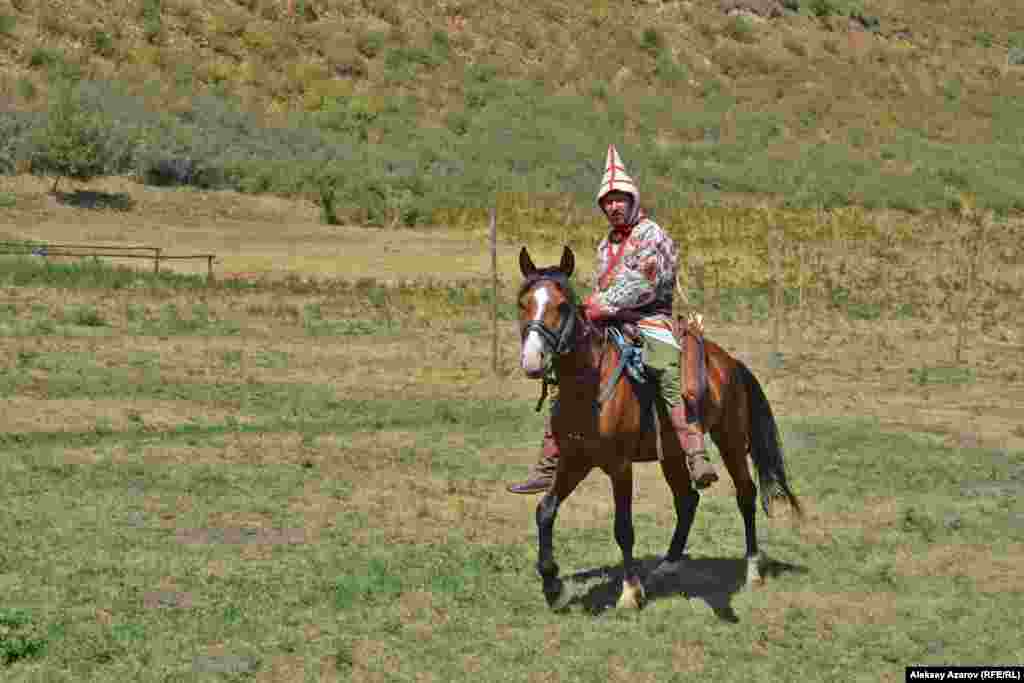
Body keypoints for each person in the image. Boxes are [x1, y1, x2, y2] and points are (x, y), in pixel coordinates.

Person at [507, 144, 719, 495]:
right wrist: (593, 307)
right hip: (610, 321)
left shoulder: (653, 234)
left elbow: (643, 281)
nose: (614, 207)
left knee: (667, 370)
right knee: (568, 366)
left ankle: (694, 452)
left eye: (620, 199)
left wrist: (602, 303)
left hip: (650, 318)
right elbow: (603, 285)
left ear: (633, 200)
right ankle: (549, 460)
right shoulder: (605, 244)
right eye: (608, 202)